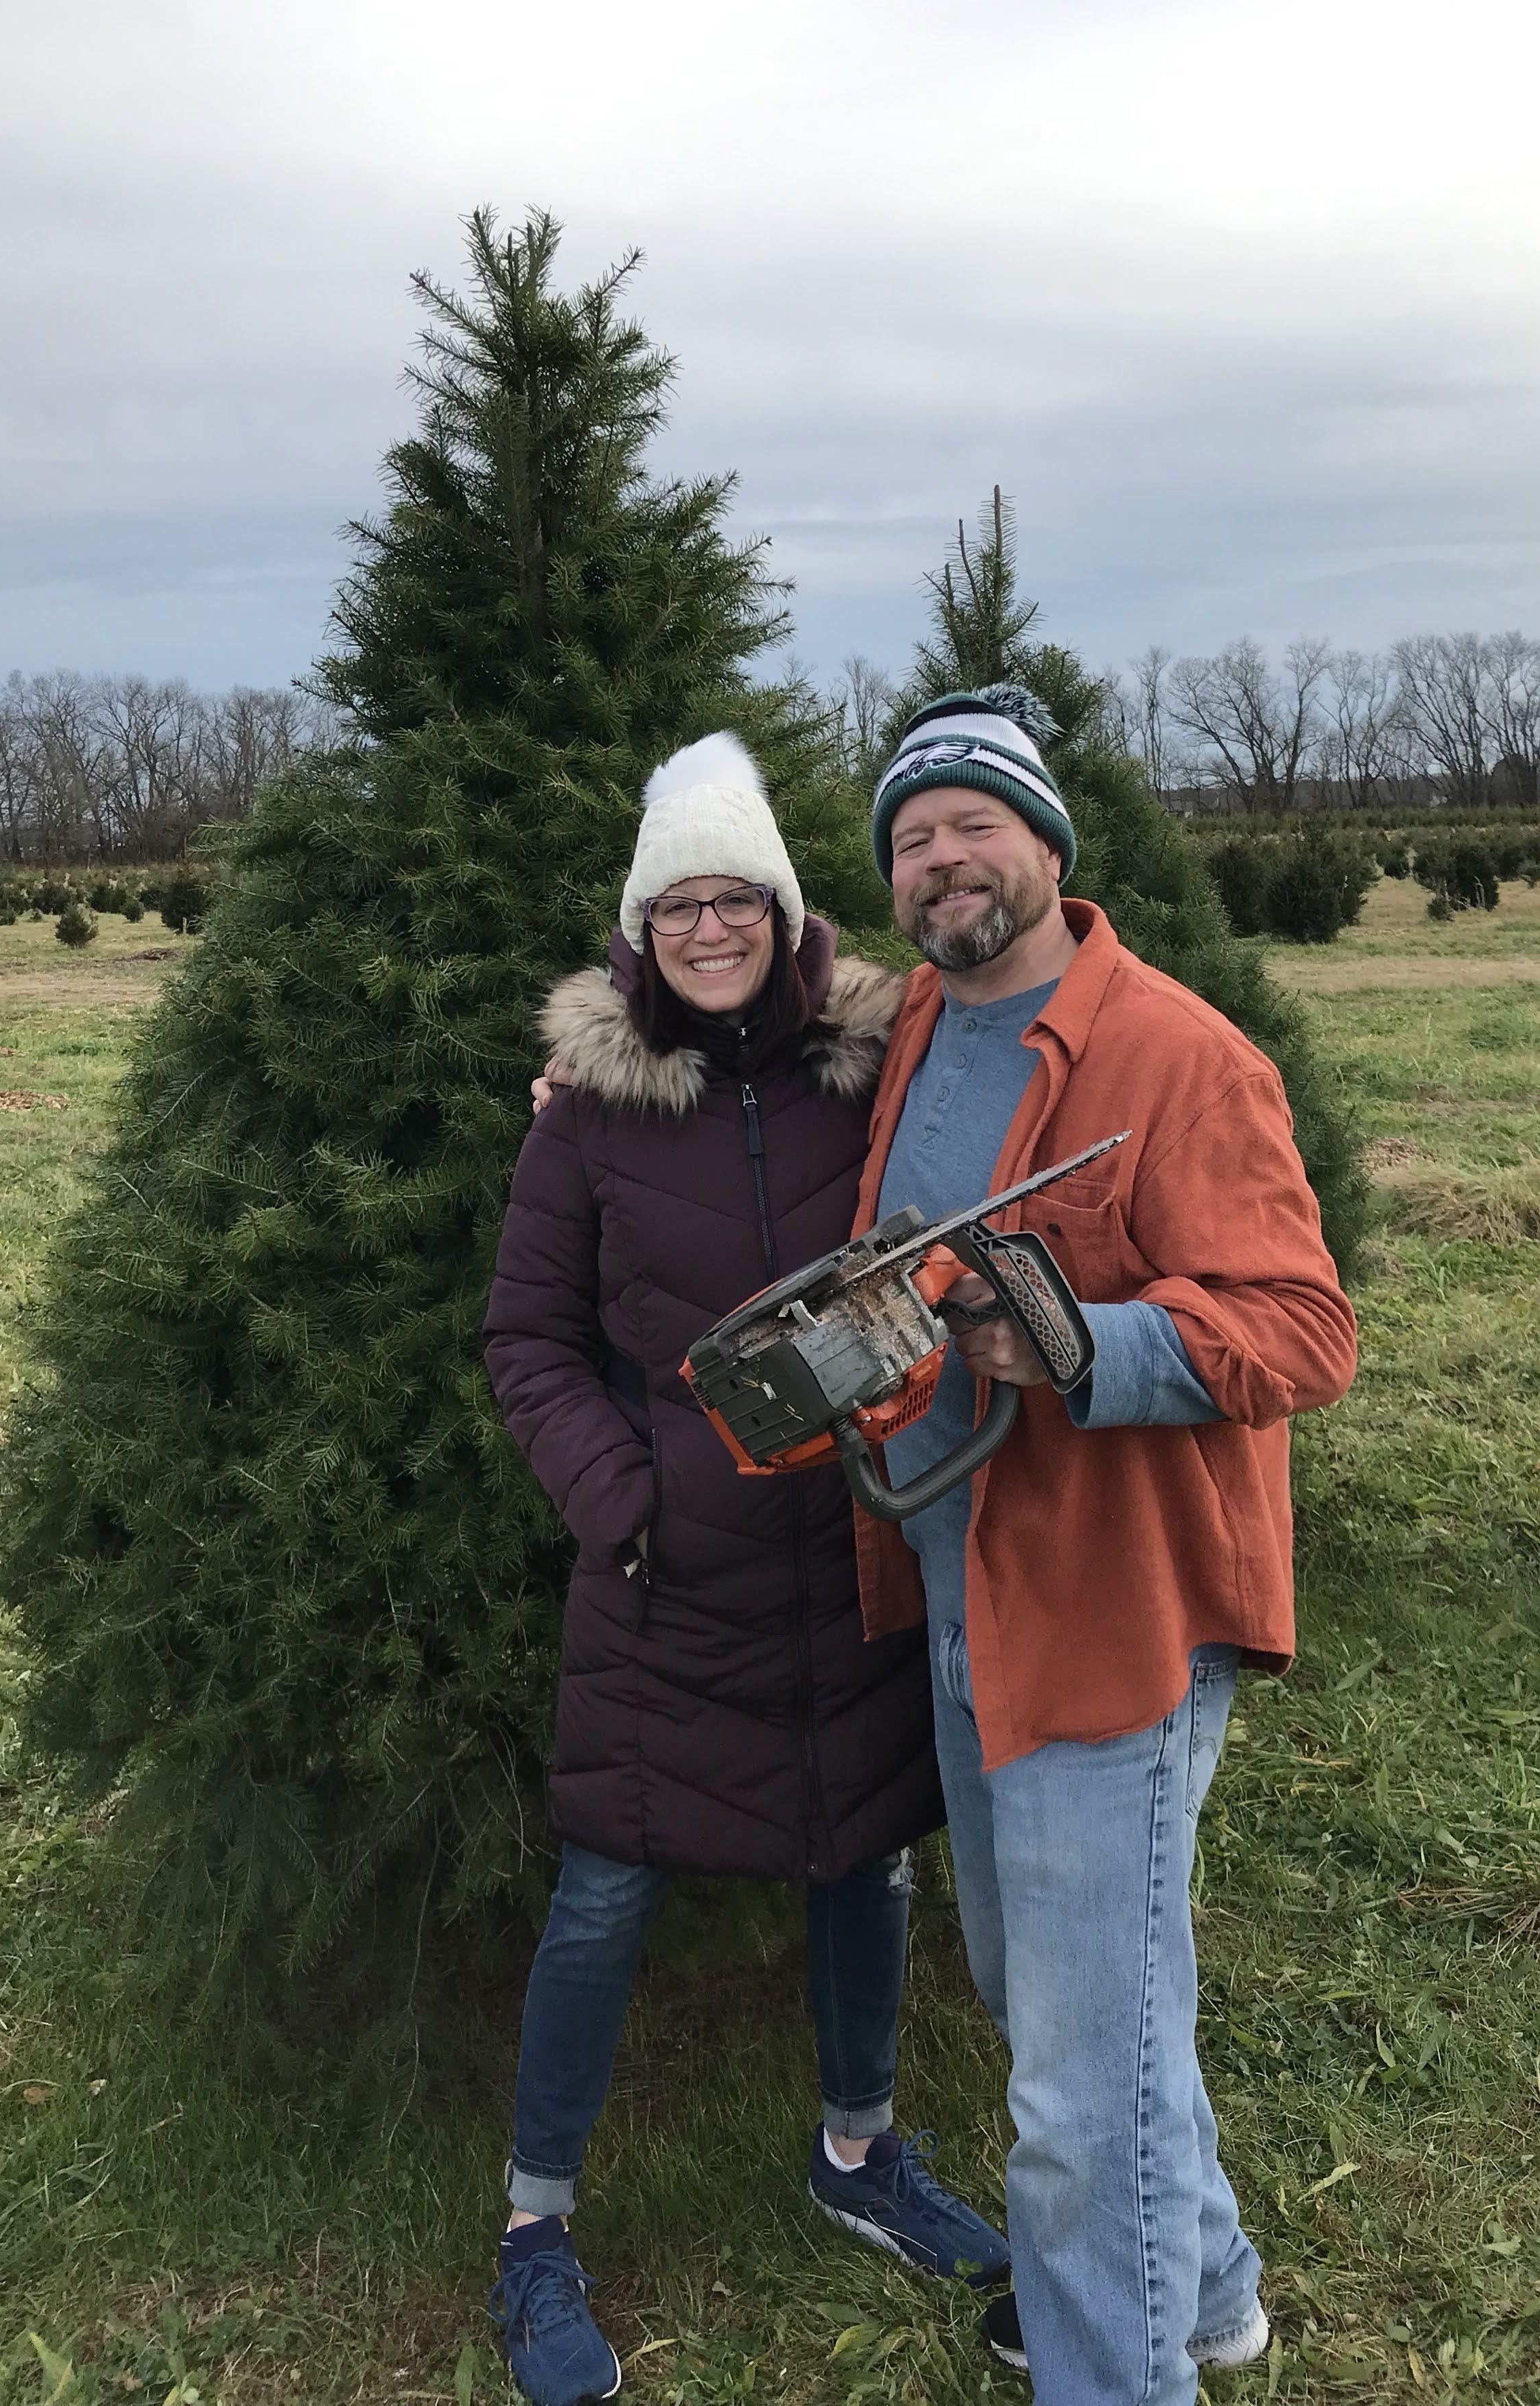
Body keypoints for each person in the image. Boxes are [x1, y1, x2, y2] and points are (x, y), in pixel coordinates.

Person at [482, 731, 1014, 2406]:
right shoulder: (587, 1118)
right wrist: (620, 1498)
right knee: (608, 1887)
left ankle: (858, 2153)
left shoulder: (876, 1067)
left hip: (853, 1543)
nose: (712, 927)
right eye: (680, 905)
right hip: (666, 1581)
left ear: (789, 920)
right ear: (645, 934)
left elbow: (1015, 1010)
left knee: (865, 1856)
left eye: (742, 898)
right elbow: (530, 1341)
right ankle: (533, 2232)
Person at [854, 686, 1360, 2402]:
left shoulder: (1176, 1055)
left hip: (1108, 1613)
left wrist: (1083, 1343)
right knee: (1065, 1997)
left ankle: (1113, 2364)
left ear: (1047, 846)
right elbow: (744, 985)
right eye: (912, 840)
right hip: (958, 1581)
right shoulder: (922, 1016)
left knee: (1079, 2072)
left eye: (972, 825)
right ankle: (1204, 2291)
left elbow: (1303, 1331)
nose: (941, 860)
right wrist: (594, 1051)